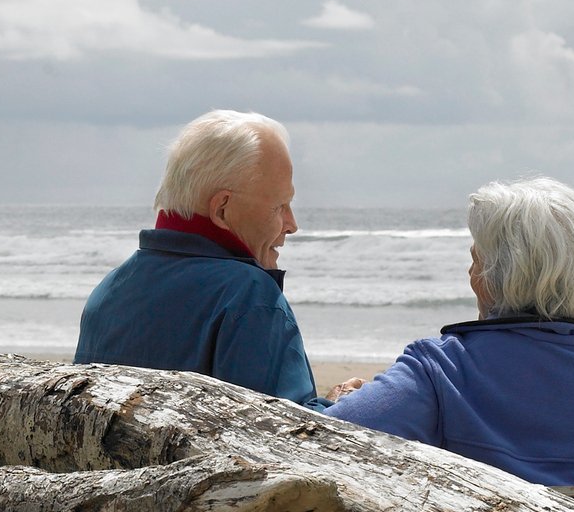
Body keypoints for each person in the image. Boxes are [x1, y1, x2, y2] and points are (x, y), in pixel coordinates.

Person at [326, 177, 574, 486]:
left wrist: (339, 401)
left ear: (492, 279)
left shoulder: (443, 371)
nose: (470, 276)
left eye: (475, 262)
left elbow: (327, 446)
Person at [74, 110, 360, 409]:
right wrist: (342, 406)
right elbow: (285, 435)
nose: (291, 224)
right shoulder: (248, 296)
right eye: (280, 206)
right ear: (222, 209)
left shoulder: (110, 289)